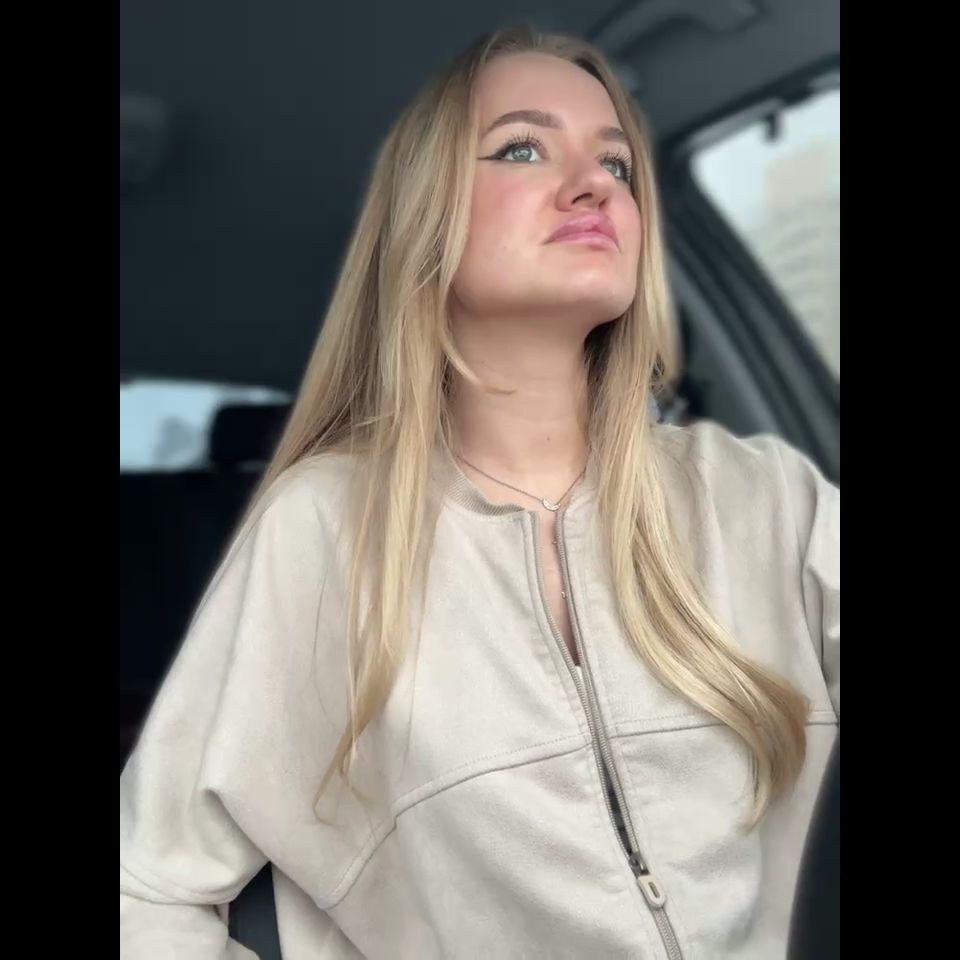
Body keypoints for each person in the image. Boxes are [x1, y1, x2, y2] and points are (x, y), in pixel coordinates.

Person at [120, 25, 839, 959]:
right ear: (427, 219)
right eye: (523, 148)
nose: (594, 186)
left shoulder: (764, 495)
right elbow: (144, 891)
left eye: (617, 164)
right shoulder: (323, 530)